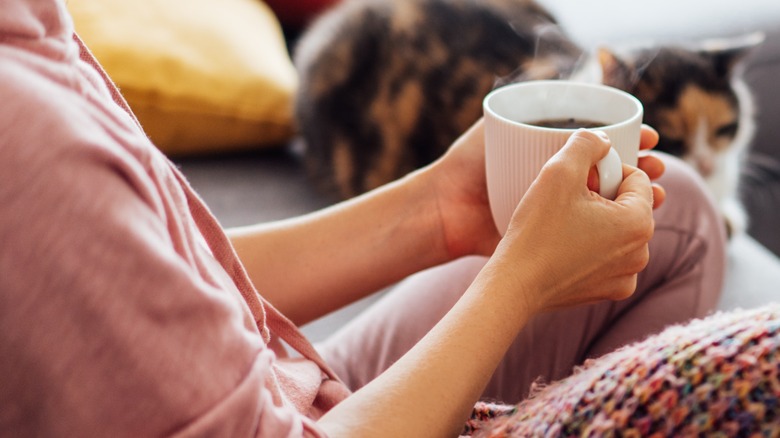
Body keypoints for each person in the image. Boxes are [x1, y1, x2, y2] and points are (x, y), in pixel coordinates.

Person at [0, 1, 727, 437]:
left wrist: (433, 210)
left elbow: (131, 282)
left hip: (270, 390)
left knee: (677, 211)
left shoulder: (28, 31)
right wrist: (521, 284)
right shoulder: (31, 138)